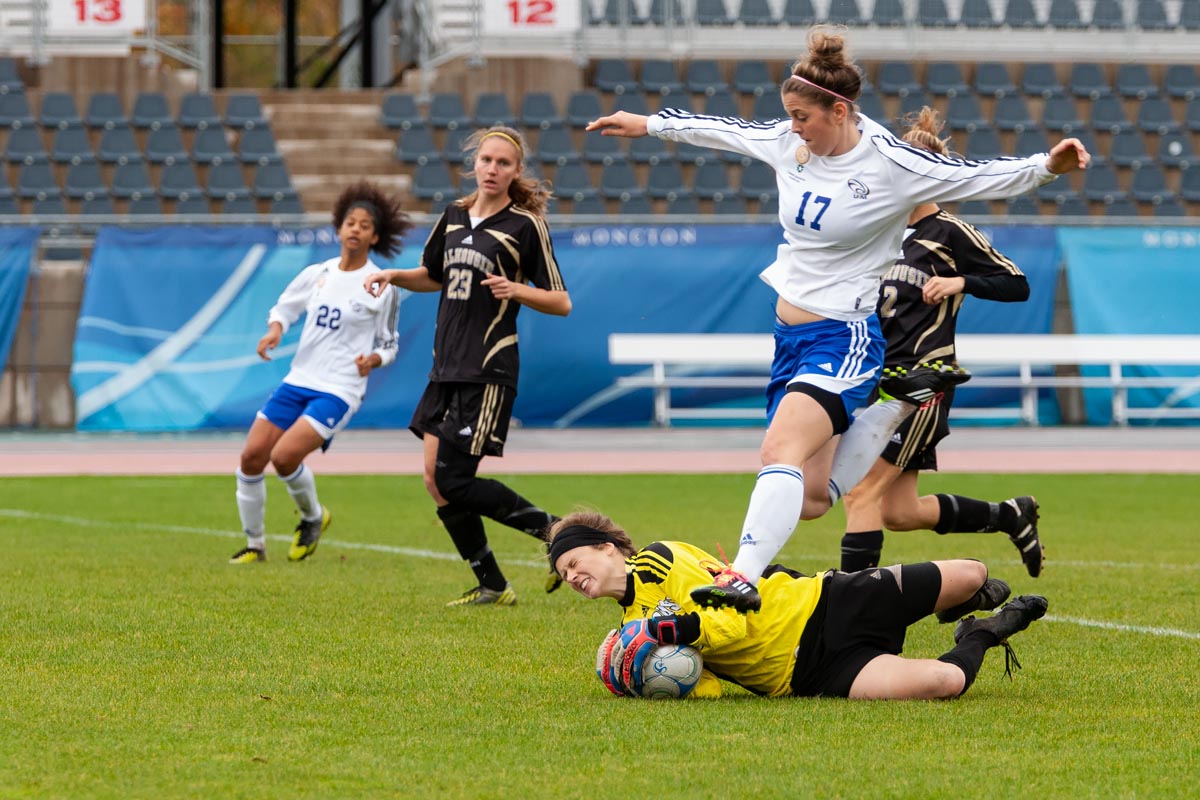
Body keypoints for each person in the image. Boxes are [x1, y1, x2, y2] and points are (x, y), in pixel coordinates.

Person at [586, 27, 1088, 613]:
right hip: (790, 339)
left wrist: (1046, 166)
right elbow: (722, 130)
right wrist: (649, 124)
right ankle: (891, 405)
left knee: (777, 450)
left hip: (844, 337)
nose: (793, 127)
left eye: (802, 117)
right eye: (789, 116)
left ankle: (742, 577)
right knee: (811, 499)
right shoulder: (788, 142)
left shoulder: (891, 163)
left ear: (840, 111)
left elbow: (976, 175)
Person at [365, 125, 572, 606]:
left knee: (454, 480)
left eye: (503, 163)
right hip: (446, 368)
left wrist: (516, 290)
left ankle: (557, 532)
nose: (492, 169)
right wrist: (394, 275)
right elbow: (433, 276)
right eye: (486, 160)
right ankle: (493, 584)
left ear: (516, 171)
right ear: (474, 164)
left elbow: (561, 302)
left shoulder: (525, 225)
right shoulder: (454, 215)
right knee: (435, 482)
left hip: (488, 368)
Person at [840, 107, 1044, 578]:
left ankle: (854, 604)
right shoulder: (880, 232)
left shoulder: (949, 231)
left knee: (860, 493)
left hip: (923, 383)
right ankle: (1008, 515)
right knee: (898, 511)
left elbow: (1017, 284)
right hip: (879, 380)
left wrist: (961, 282)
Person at [549, 511, 1047, 700]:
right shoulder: (633, 628)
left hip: (825, 603)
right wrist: (639, 680)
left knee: (973, 572)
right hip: (810, 673)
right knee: (946, 682)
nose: (570, 577)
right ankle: (982, 632)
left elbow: (732, 620)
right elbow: (707, 688)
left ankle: (959, 597)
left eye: (572, 562)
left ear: (606, 548)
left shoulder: (661, 560)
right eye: (563, 575)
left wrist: (670, 632)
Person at [231, 181, 410, 564]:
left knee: (284, 457)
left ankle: (312, 518)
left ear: (375, 236)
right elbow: (285, 306)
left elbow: (390, 344)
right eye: (350, 222)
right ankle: (255, 546)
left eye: (364, 225)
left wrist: (373, 360)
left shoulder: (382, 285)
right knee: (251, 457)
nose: (355, 229)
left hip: (340, 388)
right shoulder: (319, 273)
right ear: (339, 228)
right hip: (299, 379)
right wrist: (275, 329)